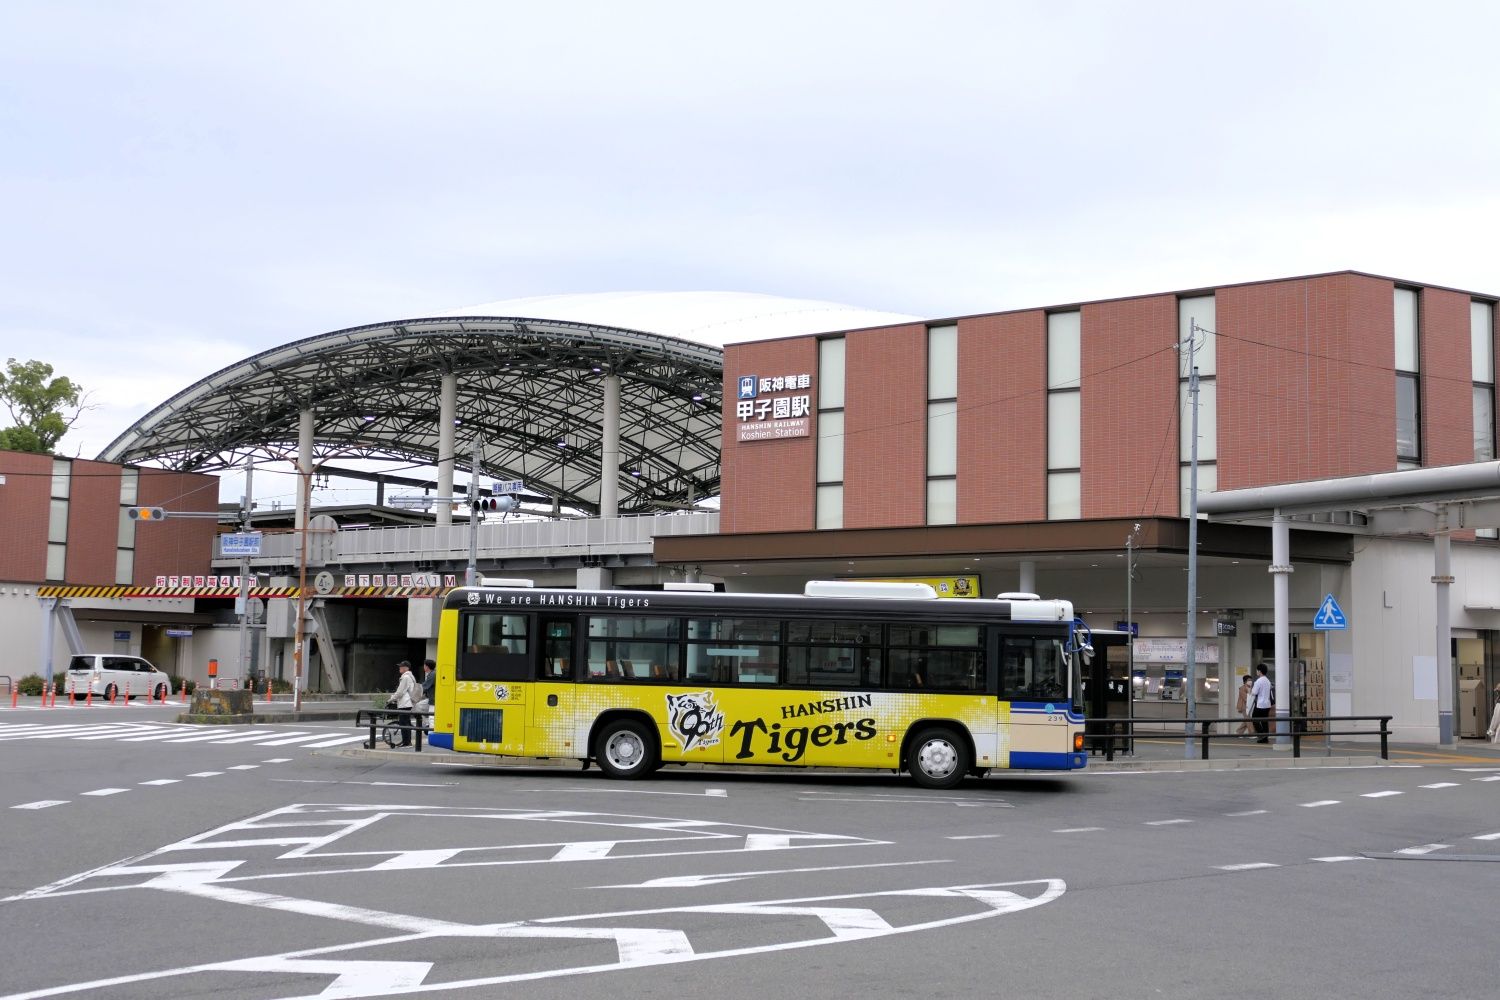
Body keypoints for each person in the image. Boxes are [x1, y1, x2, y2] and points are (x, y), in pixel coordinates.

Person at [391, 660, 418, 747]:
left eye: (401, 667)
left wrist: (391, 699)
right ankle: (407, 742)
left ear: (406, 668)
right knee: (406, 723)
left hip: (405, 703)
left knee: (403, 723)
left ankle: (406, 742)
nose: (399, 668)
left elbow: (400, 692)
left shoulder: (405, 677)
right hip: (409, 703)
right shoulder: (411, 676)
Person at [1250, 664, 1273, 743]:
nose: (1256, 672)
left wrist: (1251, 690)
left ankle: (1262, 735)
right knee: (1264, 721)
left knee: (1254, 719)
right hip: (1267, 704)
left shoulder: (1258, 681)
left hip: (1260, 704)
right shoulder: (1268, 681)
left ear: (1260, 671)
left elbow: (1254, 692)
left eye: (1257, 670)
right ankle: (1265, 738)